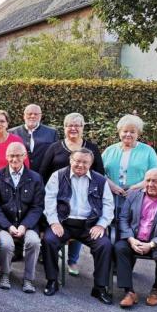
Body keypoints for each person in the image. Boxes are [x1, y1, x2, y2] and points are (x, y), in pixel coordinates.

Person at [42, 149, 115, 304]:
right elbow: (49, 200)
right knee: (49, 240)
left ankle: (100, 287)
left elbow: (109, 205)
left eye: (85, 162)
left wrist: (101, 225)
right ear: (70, 160)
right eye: (77, 161)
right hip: (64, 222)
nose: (80, 165)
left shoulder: (100, 180)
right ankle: (52, 280)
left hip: (90, 224)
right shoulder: (58, 176)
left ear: (90, 163)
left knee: (104, 245)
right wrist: (54, 222)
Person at [39, 113, 105, 276]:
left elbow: (100, 175)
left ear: (83, 127)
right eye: (69, 125)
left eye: (77, 125)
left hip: (83, 197)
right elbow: (43, 172)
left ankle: (73, 260)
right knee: (54, 231)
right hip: (57, 198)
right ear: (64, 127)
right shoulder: (54, 147)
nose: (73, 128)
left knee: (80, 217)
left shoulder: (92, 148)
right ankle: (50, 263)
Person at [115, 169, 157, 308]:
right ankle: (129, 291)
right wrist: (130, 239)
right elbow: (123, 219)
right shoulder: (133, 196)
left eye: (155, 181)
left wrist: (152, 244)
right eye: (147, 180)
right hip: (134, 239)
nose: (150, 184)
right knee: (119, 248)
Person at [0, 143, 44, 293]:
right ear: (6, 157)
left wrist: (24, 226)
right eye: (11, 155)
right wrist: (8, 226)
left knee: (34, 242)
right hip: (3, 225)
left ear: (24, 156)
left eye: (18, 155)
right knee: (5, 244)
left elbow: (37, 207)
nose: (15, 159)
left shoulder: (35, 178)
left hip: (28, 225)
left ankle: (28, 279)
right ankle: (4, 273)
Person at [102, 114, 157, 205]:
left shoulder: (148, 151)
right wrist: (111, 185)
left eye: (132, 132)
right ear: (119, 132)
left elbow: (156, 174)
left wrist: (137, 187)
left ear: (138, 133)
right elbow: (99, 172)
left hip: (140, 196)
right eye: (125, 131)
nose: (128, 134)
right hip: (110, 196)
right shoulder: (110, 150)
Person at [8, 104, 58, 176]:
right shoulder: (12, 132)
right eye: (29, 114)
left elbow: (55, 156)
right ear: (24, 116)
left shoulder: (52, 132)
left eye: (36, 114)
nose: (32, 116)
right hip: (18, 175)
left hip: (44, 176)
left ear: (40, 116)